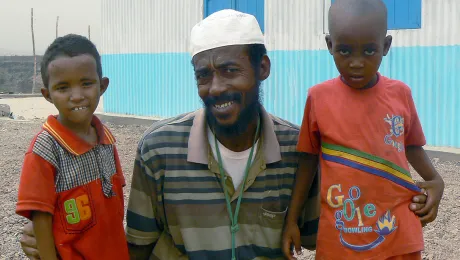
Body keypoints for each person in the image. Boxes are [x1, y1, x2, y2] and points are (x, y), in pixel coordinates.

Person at [19, 10, 432, 260]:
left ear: (263, 68)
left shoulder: (297, 151)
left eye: (231, 70)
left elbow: (327, 234)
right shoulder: (159, 150)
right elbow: (137, 248)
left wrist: (413, 198)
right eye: (204, 74)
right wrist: (60, 241)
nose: (216, 87)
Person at [282, 0, 445, 260]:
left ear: (386, 46)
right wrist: (292, 220)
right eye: (345, 51)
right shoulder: (318, 98)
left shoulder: (400, 94)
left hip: (398, 233)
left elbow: (411, 145)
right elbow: (308, 161)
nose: (356, 63)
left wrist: (437, 182)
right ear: (329, 46)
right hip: (342, 236)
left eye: (369, 51)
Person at [15, 34, 129, 260]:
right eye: (63, 87)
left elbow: (114, 207)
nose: (76, 96)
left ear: (102, 86)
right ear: (47, 95)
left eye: (86, 83)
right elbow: (41, 221)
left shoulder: (106, 138)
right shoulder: (45, 149)